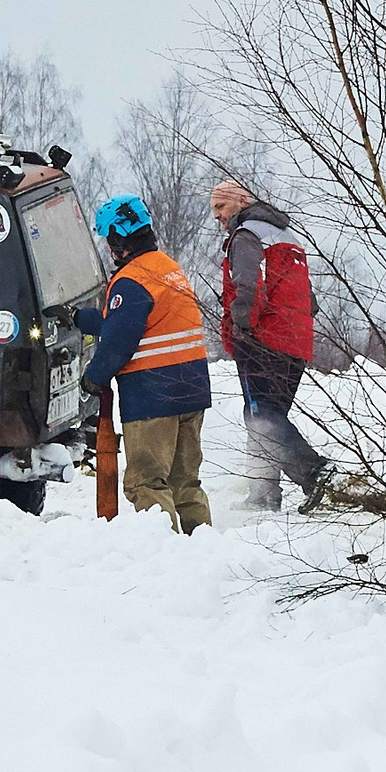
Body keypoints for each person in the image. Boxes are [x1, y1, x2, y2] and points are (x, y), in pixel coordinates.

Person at [75, 194, 213, 534]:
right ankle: (203, 546)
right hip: (191, 389)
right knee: (185, 483)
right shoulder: (167, 268)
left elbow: (119, 342)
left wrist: (93, 377)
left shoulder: (131, 280)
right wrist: (80, 318)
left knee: (145, 481)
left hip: (154, 396)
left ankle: (160, 554)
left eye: (110, 240)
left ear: (119, 240)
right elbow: (131, 321)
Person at [210, 179, 327, 511]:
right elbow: (311, 300)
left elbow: (248, 286)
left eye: (221, 206)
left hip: (263, 340)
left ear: (243, 200)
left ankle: (315, 473)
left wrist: (242, 327)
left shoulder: (246, 236)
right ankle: (263, 497)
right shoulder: (285, 236)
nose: (217, 216)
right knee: (265, 417)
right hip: (295, 343)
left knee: (261, 416)